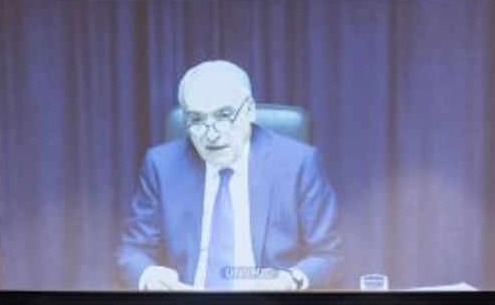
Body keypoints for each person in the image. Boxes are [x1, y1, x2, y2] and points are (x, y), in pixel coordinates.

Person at [117, 59, 342, 291]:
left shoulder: (298, 164)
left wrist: (289, 280)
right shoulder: (162, 166)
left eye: (224, 115)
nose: (211, 134)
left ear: (250, 111)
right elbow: (134, 252)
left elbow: (329, 254)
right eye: (197, 119)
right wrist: (149, 275)